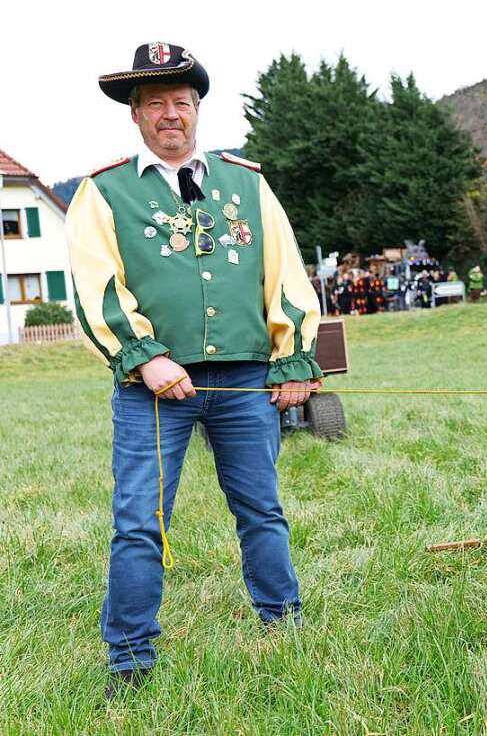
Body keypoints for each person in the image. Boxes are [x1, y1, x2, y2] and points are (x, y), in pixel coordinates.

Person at [66, 43, 323, 697]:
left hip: (243, 383)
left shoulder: (248, 183)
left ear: (197, 109)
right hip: (150, 389)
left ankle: (283, 621)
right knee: (139, 521)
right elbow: (96, 286)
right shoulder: (103, 191)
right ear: (136, 114)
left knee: (261, 508)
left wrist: (291, 356)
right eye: (157, 103)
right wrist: (145, 357)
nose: (171, 114)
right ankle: (128, 657)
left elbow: (285, 273)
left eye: (181, 102)